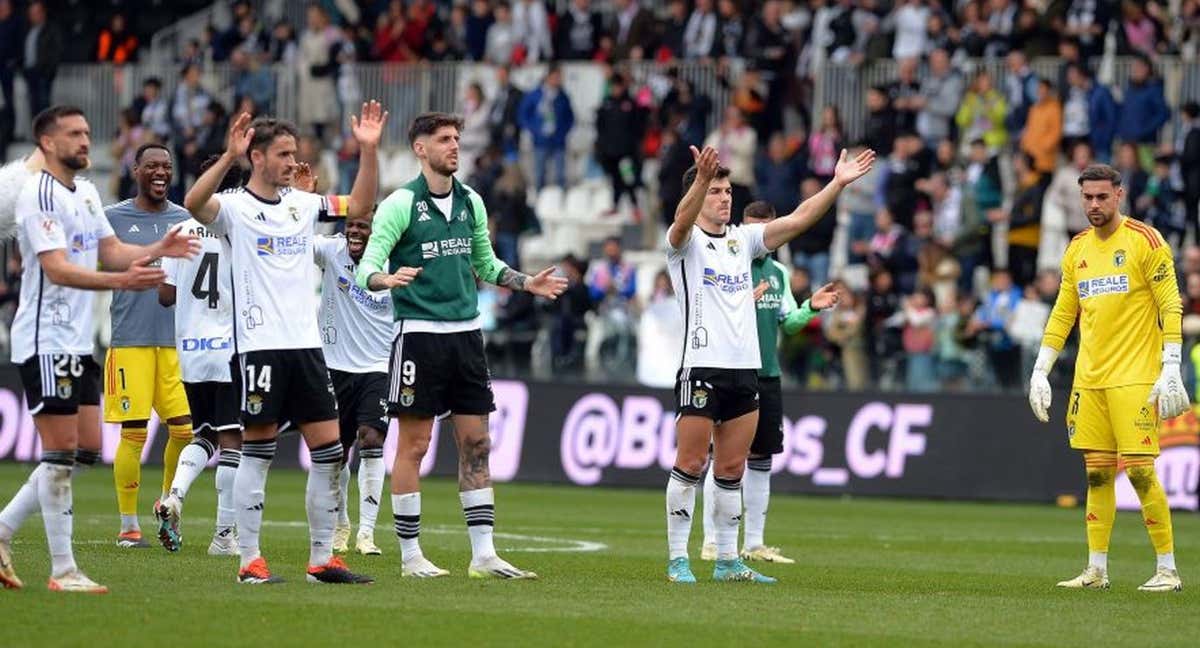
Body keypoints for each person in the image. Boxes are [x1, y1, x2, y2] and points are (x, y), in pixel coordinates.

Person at [182, 101, 388, 585]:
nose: (293, 163)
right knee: (259, 450)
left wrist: (369, 150)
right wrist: (227, 157)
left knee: (329, 451)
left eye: (295, 154)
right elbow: (193, 203)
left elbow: (357, 206)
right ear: (257, 157)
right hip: (260, 348)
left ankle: (321, 560)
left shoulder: (302, 204)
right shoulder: (234, 207)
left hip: (308, 348)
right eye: (283, 154)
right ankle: (248, 560)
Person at [356, 112, 567, 579]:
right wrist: (384, 278)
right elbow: (364, 265)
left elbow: (486, 265)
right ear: (420, 148)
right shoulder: (400, 206)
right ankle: (411, 557)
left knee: (477, 443)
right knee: (414, 446)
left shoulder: (471, 201)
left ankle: (483, 555)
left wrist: (525, 282)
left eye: (457, 139)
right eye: (445, 139)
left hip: (467, 337)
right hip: (419, 337)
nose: (455, 146)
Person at [0, 106, 197, 592]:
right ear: (47, 142)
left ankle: (3, 529)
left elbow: (111, 251)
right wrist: (123, 279)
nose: (86, 141)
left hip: (77, 341)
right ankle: (63, 569)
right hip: (45, 338)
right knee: (62, 451)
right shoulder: (38, 194)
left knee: (86, 448)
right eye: (74, 134)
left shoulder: (86, 193)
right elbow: (58, 269)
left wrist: (156, 251)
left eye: (88, 132)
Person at [663, 144, 875, 584]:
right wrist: (700, 181)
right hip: (701, 366)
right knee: (689, 464)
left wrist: (836, 183)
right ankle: (678, 558)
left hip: (745, 369)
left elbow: (798, 220)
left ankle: (726, 561)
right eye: (717, 191)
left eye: (727, 191)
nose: (725, 198)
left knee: (731, 469)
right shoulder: (685, 244)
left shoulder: (743, 241)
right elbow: (681, 221)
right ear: (700, 193)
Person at [1028, 164, 1186, 593]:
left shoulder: (1146, 241)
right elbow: (1064, 312)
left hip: (1136, 376)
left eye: (1102, 197)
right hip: (1090, 379)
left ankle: (1168, 569)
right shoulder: (1077, 247)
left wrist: (1171, 364)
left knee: (1138, 472)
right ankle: (1096, 569)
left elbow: (1171, 304)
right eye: (1087, 198)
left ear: (1119, 194)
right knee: (1096, 475)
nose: (1094, 205)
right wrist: (1040, 369)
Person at [700, 200, 840, 564]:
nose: (760, 236)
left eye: (765, 228)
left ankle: (754, 543)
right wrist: (743, 301)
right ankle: (711, 540)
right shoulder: (729, 263)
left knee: (762, 457)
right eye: (751, 228)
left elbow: (788, 322)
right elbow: (710, 312)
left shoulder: (778, 272)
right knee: (723, 456)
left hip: (768, 375)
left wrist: (811, 306)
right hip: (730, 371)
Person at [103, 143, 194, 549]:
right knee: (134, 433)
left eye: (167, 167)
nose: (161, 173)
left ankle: (165, 504)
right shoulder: (112, 219)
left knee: (186, 431)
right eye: (152, 166)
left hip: (176, 343)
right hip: (131, 341)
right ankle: (127, 525)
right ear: (135, 169)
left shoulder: (187, 220)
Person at [155, 156, 246, 556]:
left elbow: (165, 295)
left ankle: (175, 494)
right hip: (229, 348)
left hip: (190, 349)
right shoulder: (238, 228)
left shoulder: (179, 229)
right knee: (233, 438)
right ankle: (224, 535)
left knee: (204, 432)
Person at [313, 212, 392, 557]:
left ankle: (367, 533)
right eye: (352, 226)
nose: (355, 232)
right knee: (335, 453)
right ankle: (341, 522)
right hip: (332, 366)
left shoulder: (394, 261)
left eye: (363, 226)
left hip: (378, 366)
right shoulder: (331, 251)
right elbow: (293, 241)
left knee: (371, 438)